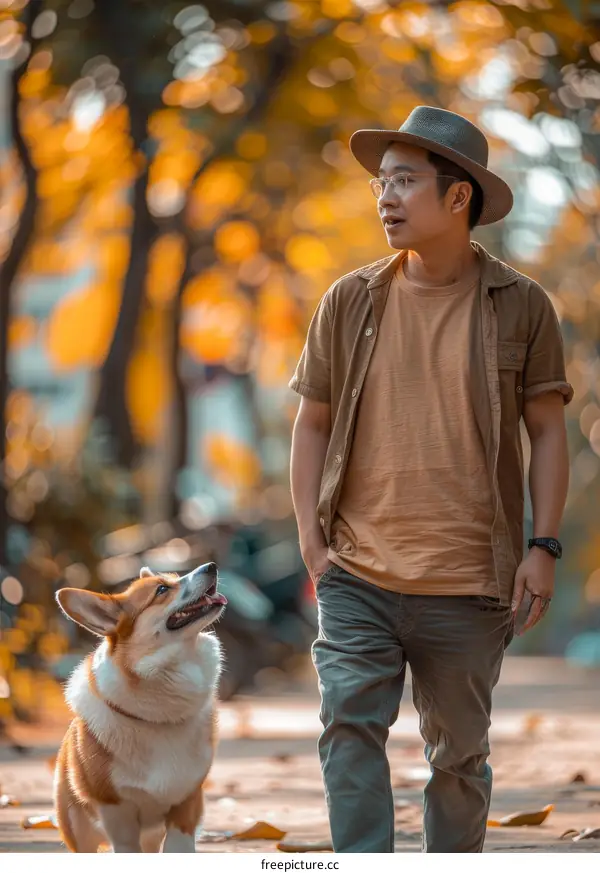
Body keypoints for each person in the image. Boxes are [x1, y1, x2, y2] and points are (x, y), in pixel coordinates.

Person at [288, 106, 572, 853]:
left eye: (405, 181)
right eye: (381, 183)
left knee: (458, 759)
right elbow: (311, 422)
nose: (384, 197)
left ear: (458, 197)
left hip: (471, 578)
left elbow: (547, 430)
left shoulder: (524, 307)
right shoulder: (349, 300)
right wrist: (314, 544)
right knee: (348, 727)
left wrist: (543, 544)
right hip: (357, 571)